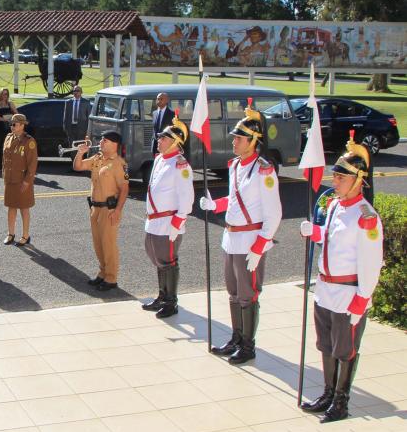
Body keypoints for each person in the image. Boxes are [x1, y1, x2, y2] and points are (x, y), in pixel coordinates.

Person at [299, 135, 383, 423]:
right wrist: (315, 232)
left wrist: (362, 300)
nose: (334, 181)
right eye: (334, 175)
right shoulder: (335, 206)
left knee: (345, 350)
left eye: (340, 176)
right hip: (325, 289)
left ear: (358, 179)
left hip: (348, 294)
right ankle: (327, 392)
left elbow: (371, 263)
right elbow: (333, 240)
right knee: (326, 345)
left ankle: (341, 401)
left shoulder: (366, 216)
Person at [200, 102, 282, 364]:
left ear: (253, 141)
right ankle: (236, 337)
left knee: (248, 295)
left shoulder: (264, 171)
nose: (234, 141)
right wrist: (216, 205)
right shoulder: (236, 165)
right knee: (233, 292)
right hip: (231, 238)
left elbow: (274, 214)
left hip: (250, 241)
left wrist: (259, 247)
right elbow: (236, 199)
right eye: (234, 137)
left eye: (239, 138)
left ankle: (248, 345)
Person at [141, 116, 194, 317]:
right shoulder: (160, 159)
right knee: (156, 258)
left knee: (168, 261)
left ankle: (171, 302)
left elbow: (187, 197)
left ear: (175, 142)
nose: (159, 140)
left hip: (168, 222)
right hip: (154, 220)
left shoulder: (180, 165)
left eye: (164, 138)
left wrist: (178, 222)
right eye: (160, 137)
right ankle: (162, 295)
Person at [73, 131, 129, 291]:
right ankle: (103, 273)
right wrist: (80, 153)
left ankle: (111, 278)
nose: (101, 142)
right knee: (98, 244)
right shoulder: (97, 158)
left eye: (105, 140)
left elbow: (124, 189)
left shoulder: (120, 163)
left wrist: (118, 210)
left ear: (114, 144)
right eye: (102, 139)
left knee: (108, 244)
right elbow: (78, 167)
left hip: (109, 209)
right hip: (95, 208)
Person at [2, 113, 38, 247]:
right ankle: (10, 234)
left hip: (22, 180)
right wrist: (4, 175)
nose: (11, 126)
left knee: (24, 208)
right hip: (10, 179)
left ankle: (25, 235)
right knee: (11, 207)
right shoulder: (8, 138)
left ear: (22, 125)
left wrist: (27, 181)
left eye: (14, 124)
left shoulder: (29, 141)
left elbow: (32, 164)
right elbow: (5, 159)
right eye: (11, 124)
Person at [0, 88, 17, 170]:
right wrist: (4, 119)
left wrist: (12, 118)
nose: (5, 95)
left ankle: (8, 164)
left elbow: (17, 113)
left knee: (9, 146)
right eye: (3, 94)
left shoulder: (10, 103)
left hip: (8, 127)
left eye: (6, 94)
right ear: (0, 94)